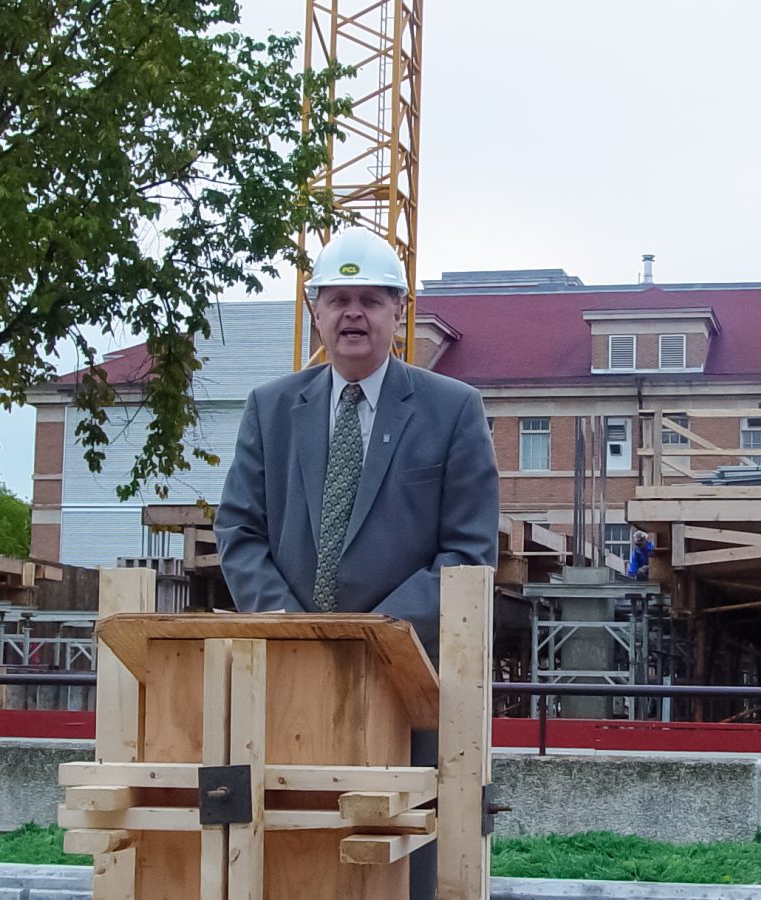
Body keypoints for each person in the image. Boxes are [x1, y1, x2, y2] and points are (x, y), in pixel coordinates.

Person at [215, 226, 499, 899]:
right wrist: (284, 621)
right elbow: (239, 528)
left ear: (399, 313)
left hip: (407, 687)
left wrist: (380, 635)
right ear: (313, 310)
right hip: (291, 678)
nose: (352, 314)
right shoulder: (271, 409)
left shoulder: (452, 410)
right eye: (337, 298)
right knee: (296, 855)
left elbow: (467, 552)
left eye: (370, 299)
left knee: (403, 866)